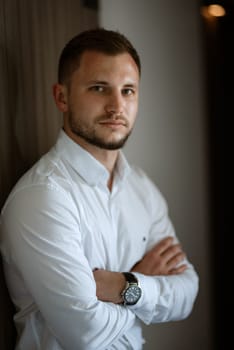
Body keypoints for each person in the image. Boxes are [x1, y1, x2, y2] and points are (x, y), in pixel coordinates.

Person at [0, 28, 199, 350]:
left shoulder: (142, 188)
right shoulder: (43, 197)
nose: (117, 106)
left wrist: (125, 284)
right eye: (99, 88)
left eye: (128, 90)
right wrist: (146, 286)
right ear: (61, 97)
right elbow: (86, 335)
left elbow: (187, 294)